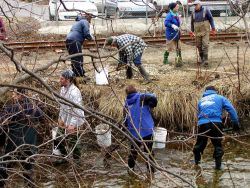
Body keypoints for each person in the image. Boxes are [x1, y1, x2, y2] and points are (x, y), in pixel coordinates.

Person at [0, 88, 44, 187]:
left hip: (14, 146)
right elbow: (42, 118)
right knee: (28, 172)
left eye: (15, 94)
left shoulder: (11, 109)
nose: (12, 96)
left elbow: (1, 121)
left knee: (3, 168)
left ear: (21, 95)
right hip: (30, 146)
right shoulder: (36, 108)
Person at [193, 86, 240, 170]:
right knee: (217, 145)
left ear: (205, 91)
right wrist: (235, 123)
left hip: (203, 124)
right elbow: (231, 109)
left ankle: (196, 163)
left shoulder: (201, 101)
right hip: (216, 124)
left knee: (199, 144)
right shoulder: (220, 98)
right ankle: (218, 167)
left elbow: (199, 115)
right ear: (215, 91)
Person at [124, 85, 157, 178]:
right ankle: (151, 173)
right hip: (147, 130)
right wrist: (153, 105)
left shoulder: (126, 102)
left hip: (134, 132)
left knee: (133, 152)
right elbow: (153, 97)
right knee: (148, 152)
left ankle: (130, 171)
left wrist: (127, 128)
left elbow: (125, 119)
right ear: (136, 91)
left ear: (127, 94)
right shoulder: (141, 96)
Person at [53, 69, 85, 163]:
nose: (60, 80)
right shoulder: (62, 89)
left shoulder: (75, 92)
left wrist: (72, 125)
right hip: (65, 118)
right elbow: (62, 106)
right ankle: (64, 157)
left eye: (62, 79)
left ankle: (77, 161)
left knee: (74, 142)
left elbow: (77, 110)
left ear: (68, 80)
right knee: (58, 138)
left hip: (75, 120)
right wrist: (60, 118)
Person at [65, 13, 94, 82]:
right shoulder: (84, 21)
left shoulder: (77, 22)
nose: (90, 21)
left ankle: (75, 74)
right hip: (75, 41)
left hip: (69, 40)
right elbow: (86, 33)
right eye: (90, 19)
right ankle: (81, 76)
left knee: (74, 58)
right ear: (88, 18)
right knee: (79, 59)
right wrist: (91, 38)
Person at [190, 0, 216, 67]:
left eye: (196, 5)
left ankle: (206, 59)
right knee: (198, 45)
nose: (195, 6)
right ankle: (201, 58)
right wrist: (192, 31)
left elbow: (211, 19)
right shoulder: (193, 13)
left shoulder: (206, 10)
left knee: (205, 45)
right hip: (197, 32)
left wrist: (213, 28)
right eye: (194, 5)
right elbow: (192, 23)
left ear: (200, 4)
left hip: (205, 31)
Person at [164, 2, 182, 67]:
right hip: (171, 34)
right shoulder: (169, 15)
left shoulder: (176, 14)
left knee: (179, 47)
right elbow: (166, 23)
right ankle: (165, 60)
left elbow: (178, 23)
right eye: (177, 7)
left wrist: (180, 20)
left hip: (177, 34)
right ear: (173, 8)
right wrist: (172, 25)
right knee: (169, 48)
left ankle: (179, 59)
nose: (178, 7)